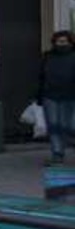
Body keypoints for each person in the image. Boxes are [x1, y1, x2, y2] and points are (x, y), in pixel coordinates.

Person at [39, 31, 75, 164]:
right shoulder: (48, 57)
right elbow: (41, 76)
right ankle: (57, 153)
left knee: (68, 126)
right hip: (50, 96)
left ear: (70, 42)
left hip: (70, 96)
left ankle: (66, 145)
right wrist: (38, 96)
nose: (61, 44)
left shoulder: (73, 56)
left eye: (64, 41)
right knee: (53, 126)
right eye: (59, 41)